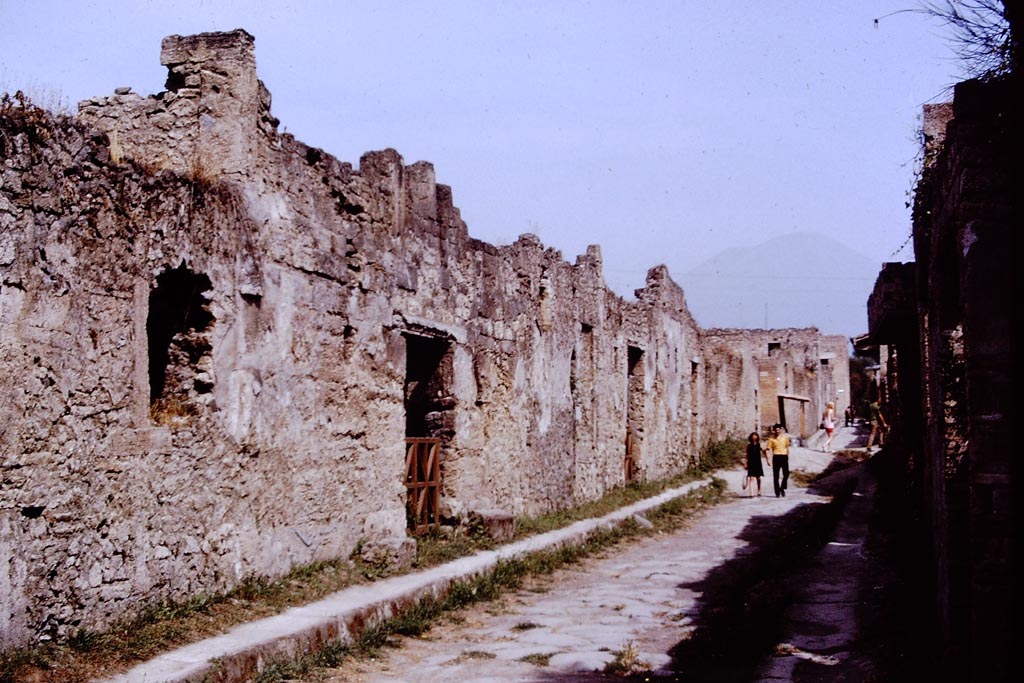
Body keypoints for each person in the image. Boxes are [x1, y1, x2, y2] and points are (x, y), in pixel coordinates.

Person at [765, 423, 791, 497]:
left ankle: (782, 487)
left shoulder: (785, 438)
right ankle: (777, 492)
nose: (777, 431)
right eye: (776, 430)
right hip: (776, 457)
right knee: (776, 475)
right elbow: (767, 449)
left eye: (778, 430)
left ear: (781, 430)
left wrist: (787, 456)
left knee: (786, 474)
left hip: (784, 456)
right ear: (774, 430)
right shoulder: (771, 439)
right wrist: (768, 460)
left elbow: (787, 447)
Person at [744, 431, 767, 497]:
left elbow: (764, 451)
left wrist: (767, 458)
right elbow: (746, 455)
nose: (754, 437)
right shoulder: (748, 446)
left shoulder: (759, 445)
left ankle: (759, 490)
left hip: (758, 462)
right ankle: (751, 493)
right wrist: (745, 463)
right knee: (751, 478)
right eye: (753, 436)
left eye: (755, 436)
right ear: (751, 437)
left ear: (757, 437)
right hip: (751, 463)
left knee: (758, 478)